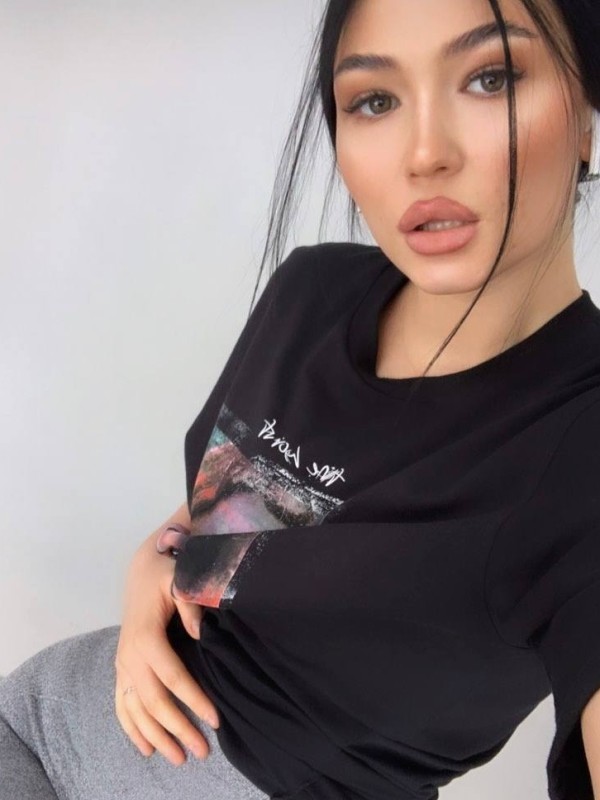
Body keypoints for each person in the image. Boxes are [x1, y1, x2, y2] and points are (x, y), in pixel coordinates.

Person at [2, 0, 600, 798]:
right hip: (32, 724)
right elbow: (225, 529)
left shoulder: (582, 447)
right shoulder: (314, 293)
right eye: (375, 100)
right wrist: (153, 585)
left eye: (491, 78)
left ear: (587, 110)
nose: (425, 153)